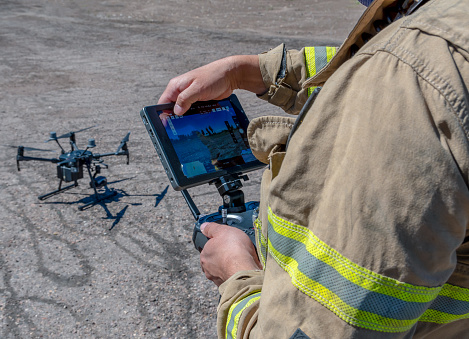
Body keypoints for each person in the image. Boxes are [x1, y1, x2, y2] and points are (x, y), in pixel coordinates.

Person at [158, 0, 469, 337]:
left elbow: (394, 70)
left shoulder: (414, 69)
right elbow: (368, 63)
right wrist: (248, 71)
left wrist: (238, 278)